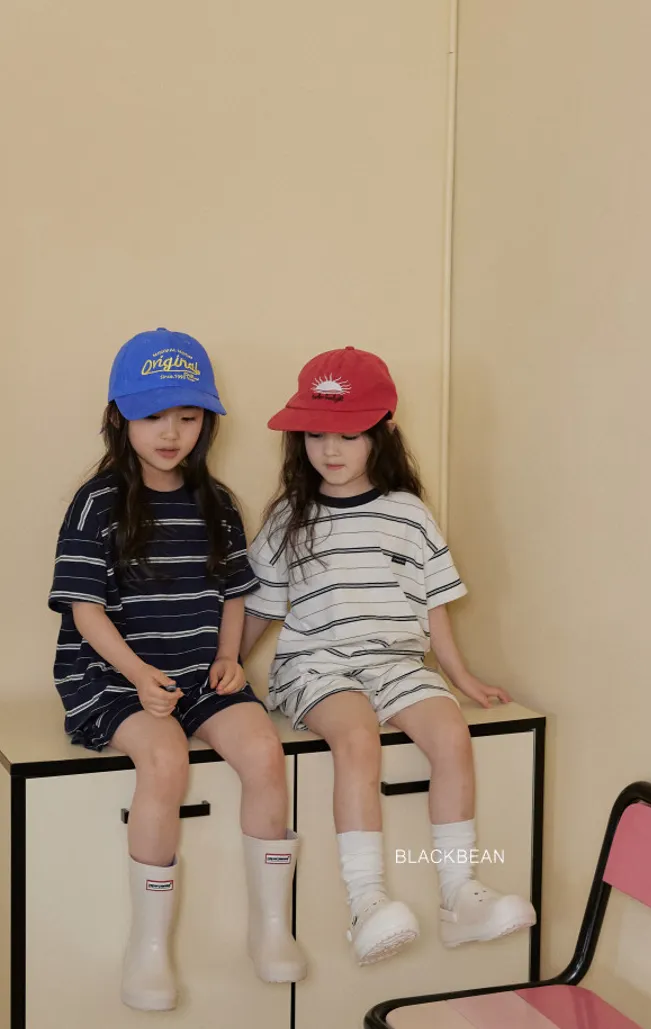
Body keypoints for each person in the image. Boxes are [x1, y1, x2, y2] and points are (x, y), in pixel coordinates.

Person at [240, 346, 535, 966]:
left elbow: (433, 605)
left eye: (348, 434)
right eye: (315, 434)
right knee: (357, 737)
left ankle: (460, 896)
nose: (330, 449)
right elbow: (260, 608)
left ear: (383, 433)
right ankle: (366, 902)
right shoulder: (290, 517)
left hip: (399, 665)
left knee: (452, 735)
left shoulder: (408, 514)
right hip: (317, 666)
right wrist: (227, 669)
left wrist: (461, 678)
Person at [48, 327, 305, 1011]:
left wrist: (228, 658)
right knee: (165, 760)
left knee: (265, 752)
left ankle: (271, 926)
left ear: (206, 422)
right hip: (112, 678)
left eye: (187, 417)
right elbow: (84, 611)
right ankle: (149, 946)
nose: (171, 433)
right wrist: (138, 675)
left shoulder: (217, 501)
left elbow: (234, 593)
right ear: (120, 418)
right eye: (153, 416)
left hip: (199, 673)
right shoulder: (97, 502)